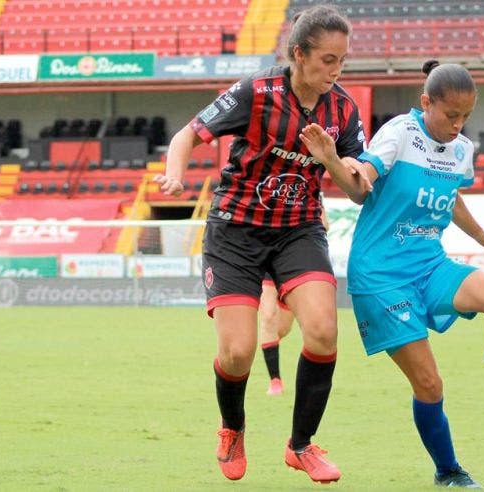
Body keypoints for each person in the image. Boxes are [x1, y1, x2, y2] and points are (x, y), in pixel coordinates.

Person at [299, 60, 484, 488]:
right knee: (430, 384)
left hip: (430, 264)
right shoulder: (399, 133)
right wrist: (332, 162)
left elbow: (450, 199)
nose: (458, 125)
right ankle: (448, 470)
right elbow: (361, 187)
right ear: (426, 102)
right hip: (381, 277)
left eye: (466, 116)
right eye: (451, 115)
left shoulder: (461, 150)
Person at [154, 5, 365, 484]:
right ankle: (232, 429)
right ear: (298, 54)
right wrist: (174, 175)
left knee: (323, 330)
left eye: (342, 61)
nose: (336, 70)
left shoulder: (344, 111)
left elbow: (357, 188)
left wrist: (329, 159)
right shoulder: (257, 92)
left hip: (298, 229)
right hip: (236, 231)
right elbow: (187, 135)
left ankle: (302, 445)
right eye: (328, 59)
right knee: (237, 352)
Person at [259, 210, 330, 396]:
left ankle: (282, 307)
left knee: (281, 329)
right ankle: (275, 381)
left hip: (289, 256)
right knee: (267, 316)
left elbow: (325, 224)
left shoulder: (302, 187)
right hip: (263, 255)